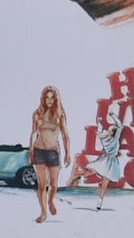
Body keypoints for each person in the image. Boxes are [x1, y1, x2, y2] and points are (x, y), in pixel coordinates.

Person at [28, 84, 70, 223]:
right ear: (43, 99)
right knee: (41, 184)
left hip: (53, 152)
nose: (49, 100)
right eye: (47, 98)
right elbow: (34, 133)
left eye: (52, 98)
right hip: (39, 150)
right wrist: (31, 151)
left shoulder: (60, 115)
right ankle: (43, 212)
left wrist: (67, 153)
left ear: (56, 99)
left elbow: (65, 135)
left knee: (54, 184)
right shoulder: (37, 113)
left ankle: (51, 200)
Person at [68, 110, 122, 210]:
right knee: (100, 179)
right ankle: (99, 200)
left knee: (93, 174)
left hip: (107, 160)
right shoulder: (113, 139)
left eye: (109, 130)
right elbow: (120, 125)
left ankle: (99, 201)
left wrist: (100, 123)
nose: (108, 130)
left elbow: (102, 131)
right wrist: (113, 115)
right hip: (109, 161)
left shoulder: (105, 139)